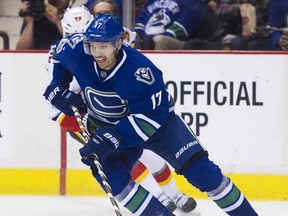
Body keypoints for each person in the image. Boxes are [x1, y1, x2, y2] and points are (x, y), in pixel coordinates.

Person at [43, 14, 258, 215]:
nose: (97, 53)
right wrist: (57, 85)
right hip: (107, 124)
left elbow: (150, 119)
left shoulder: (141, 72)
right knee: (112, 179)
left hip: (161, 125)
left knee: (204, 173)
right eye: (94, 46)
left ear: (119, 43)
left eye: (104, 46)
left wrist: (112, 137)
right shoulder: (78, 49)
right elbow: (59, 55)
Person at [46, 6, 199, 215]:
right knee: (117, 156)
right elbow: (55, 100)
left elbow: (132, 48)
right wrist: (61, 95)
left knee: (148, 152)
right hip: (85, 115)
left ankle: (174, 195)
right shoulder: (59, 53)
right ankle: (159, 196)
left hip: (120, 109)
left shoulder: (111, 36)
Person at [134, 0, 220, 50]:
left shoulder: (193, 3)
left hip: (181, 42)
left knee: (160, 40)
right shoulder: (152, 1)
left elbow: (181, 28)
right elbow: (142, 20)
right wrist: (137, 35)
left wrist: (149, 40)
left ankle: (159, 75)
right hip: (148, 38)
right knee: (131, 39)